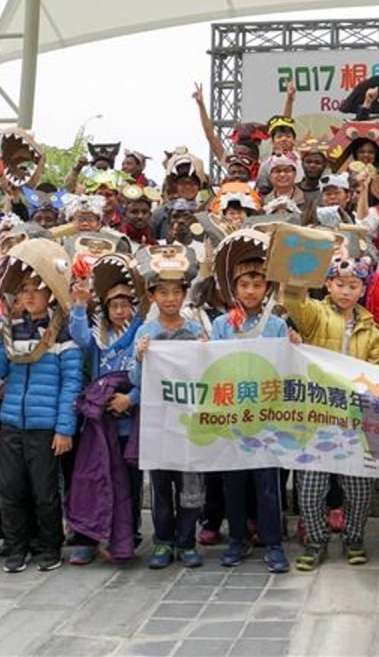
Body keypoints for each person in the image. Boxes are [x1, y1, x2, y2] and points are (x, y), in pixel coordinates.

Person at [0, 241, 83, 573]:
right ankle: (17, 548)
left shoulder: (64, 334)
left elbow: (72, 384)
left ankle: (49, 547)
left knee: (45, 491)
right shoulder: (12, 329)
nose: (30, 295)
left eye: (37, 287)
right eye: (23, 289)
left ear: (51, 292)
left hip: (45, 426)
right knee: (8, 489)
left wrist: (65, 428)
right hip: (11, 424)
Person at [282, 257, 379, 570]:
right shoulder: (315, 315)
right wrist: (299, 268)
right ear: (327, 285)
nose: (345, 291)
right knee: (311, 488)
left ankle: (354, 538)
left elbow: (375, 372)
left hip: (354, 418)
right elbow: (294, 301)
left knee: (359, 489)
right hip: (316, 415)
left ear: (362, 289)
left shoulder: (370, 327)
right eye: (339, 284)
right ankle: (316, 540)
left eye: (353, 286)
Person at [209, 230, 291, 574]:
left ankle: (273, 543)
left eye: (257, 285)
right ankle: (237, 538)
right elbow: (210, 367)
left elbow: (287, 368)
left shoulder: (277, 325)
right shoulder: (220, 325)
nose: (251, 291)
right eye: (244, 285)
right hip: (231, 417)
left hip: (266, 417)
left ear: (267, 288)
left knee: (267, 484)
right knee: (234, 485)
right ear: (234, 289)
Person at [66, 254, 147, 565]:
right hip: (101, 422)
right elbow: (79, 336)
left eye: (125, 305)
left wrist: (132, 398)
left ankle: (128, 534)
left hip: (129, 421)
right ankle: (91, 535)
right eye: (113, 306)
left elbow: (150, 374)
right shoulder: (100, 336)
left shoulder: (141, 333)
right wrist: (79, 304)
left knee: (129, 480)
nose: (119, 311)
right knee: (95, 476)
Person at [129, 244, 207, 570]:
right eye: (163, 292)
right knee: (161, 485)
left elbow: (208, 377)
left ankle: (187, 540)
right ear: (152, 297)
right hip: (157, 421)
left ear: (186, 294)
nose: (171, 298)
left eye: (177, 292)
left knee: (189, 482)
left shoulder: (197, 331)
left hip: (187, 421)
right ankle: (162, 540)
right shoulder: (145, 332)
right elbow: (136, 380)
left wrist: (207, 353)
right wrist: (139, 357)